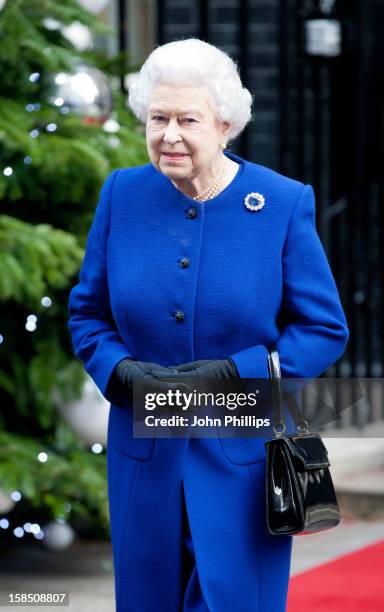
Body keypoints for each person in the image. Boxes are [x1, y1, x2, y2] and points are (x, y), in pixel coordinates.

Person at [67, 38, 349, 612]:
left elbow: (323, 328)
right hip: (144, 462)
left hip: (243, 463)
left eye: (186, 119)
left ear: (225, 124)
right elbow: (87, 312)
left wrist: (238, 372)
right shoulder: (122, 194)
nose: (169, 134)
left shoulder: (280, 203)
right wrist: (119, 373)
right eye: (157, 118)